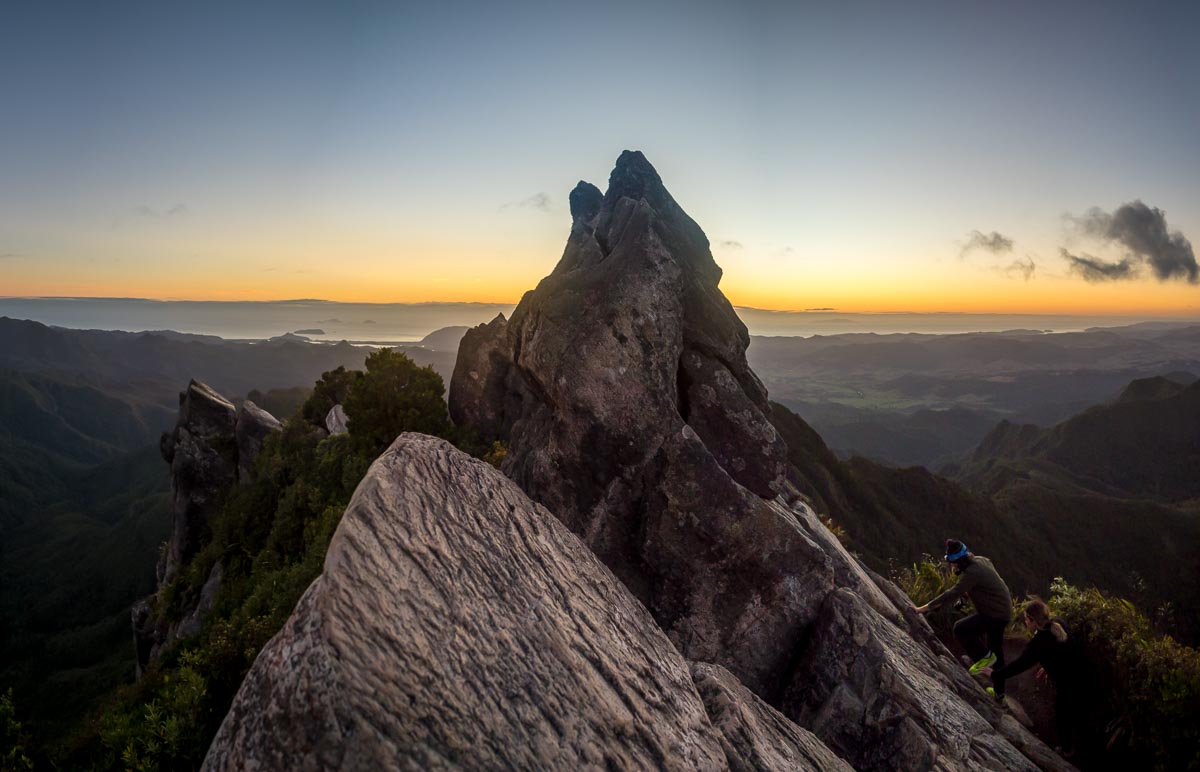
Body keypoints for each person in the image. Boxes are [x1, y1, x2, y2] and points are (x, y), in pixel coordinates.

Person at [982, 598, 1090, 757]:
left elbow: (1019, 665)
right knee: (1077, 714)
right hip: (1083, 676)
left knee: (1063, 715)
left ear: (1033, 620)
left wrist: (994, 674)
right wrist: (1046, 667)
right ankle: (1081, 748)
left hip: (1068, 685)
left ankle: (1067, 752)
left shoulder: (1039, 642)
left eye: (1026, 619)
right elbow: (1066, 649)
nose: (1025, 622)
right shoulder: (1058, 623)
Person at [912, 539, 1012, 675]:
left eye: (953, 564)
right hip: (1003, 610)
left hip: (994, 614)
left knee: (961, 629)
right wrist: (965, 597)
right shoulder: (982, 560)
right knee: (995, 648)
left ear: (961, 561)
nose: (952, 567)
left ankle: (984, 662)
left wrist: (923, 608)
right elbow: (984, 585)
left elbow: (952, 593)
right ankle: (999, 688)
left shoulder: (972, 573)